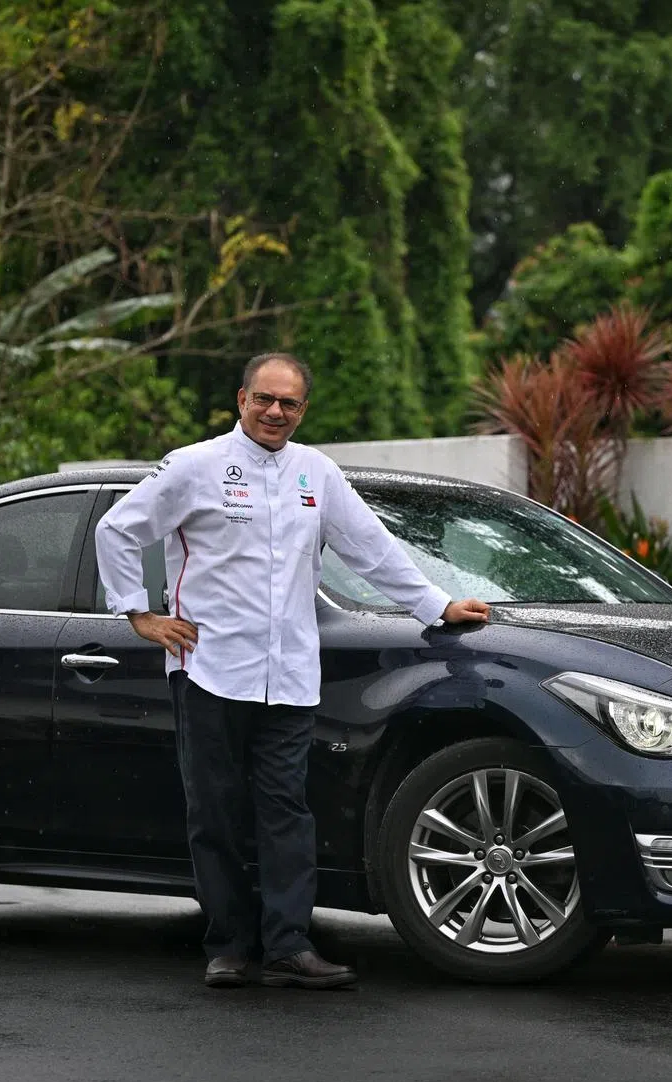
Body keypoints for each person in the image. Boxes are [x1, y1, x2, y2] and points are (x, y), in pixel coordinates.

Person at [95, 352, 490, 990]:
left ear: (303, 410)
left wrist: (437, 604)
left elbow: (371, 546)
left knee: (285, 811)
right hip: (209, 669)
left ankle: (288, 945)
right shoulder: (195, 467)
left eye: (290, 404)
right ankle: (227, 945)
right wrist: (137, 614)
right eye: (265, 399)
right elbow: (117, 530)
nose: (276, 412)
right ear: (241, 399)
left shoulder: (317, 473)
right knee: (215, 812)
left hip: (289, 676)